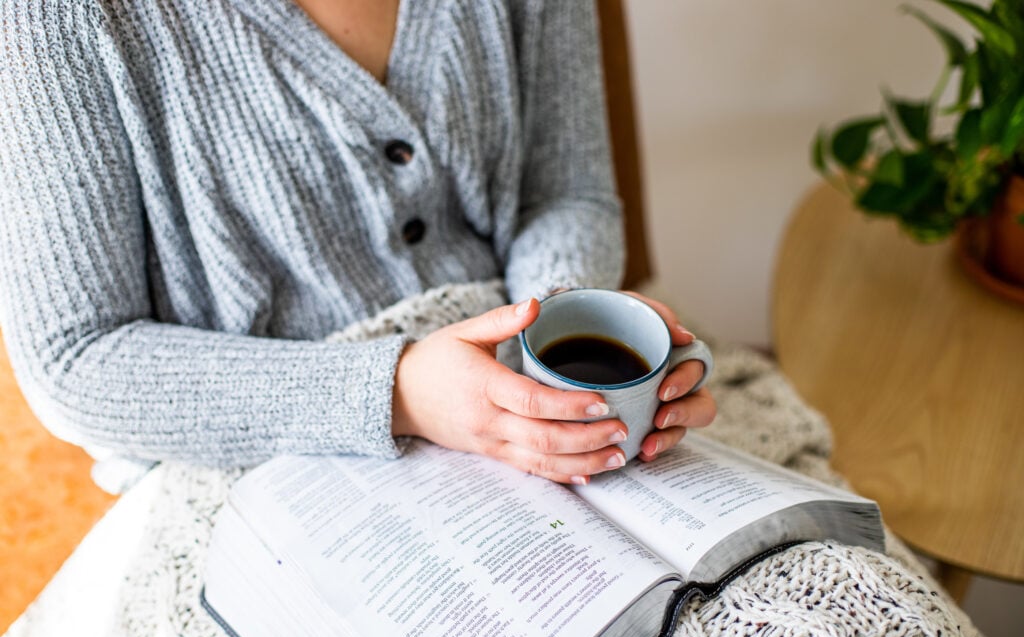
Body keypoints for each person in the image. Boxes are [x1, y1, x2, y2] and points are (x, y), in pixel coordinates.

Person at [0, 0, 715, 489]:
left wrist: (552, 351)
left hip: (521, 417)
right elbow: (75, 359)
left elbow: (565, 193)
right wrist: (397, 392)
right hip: (251, 469)